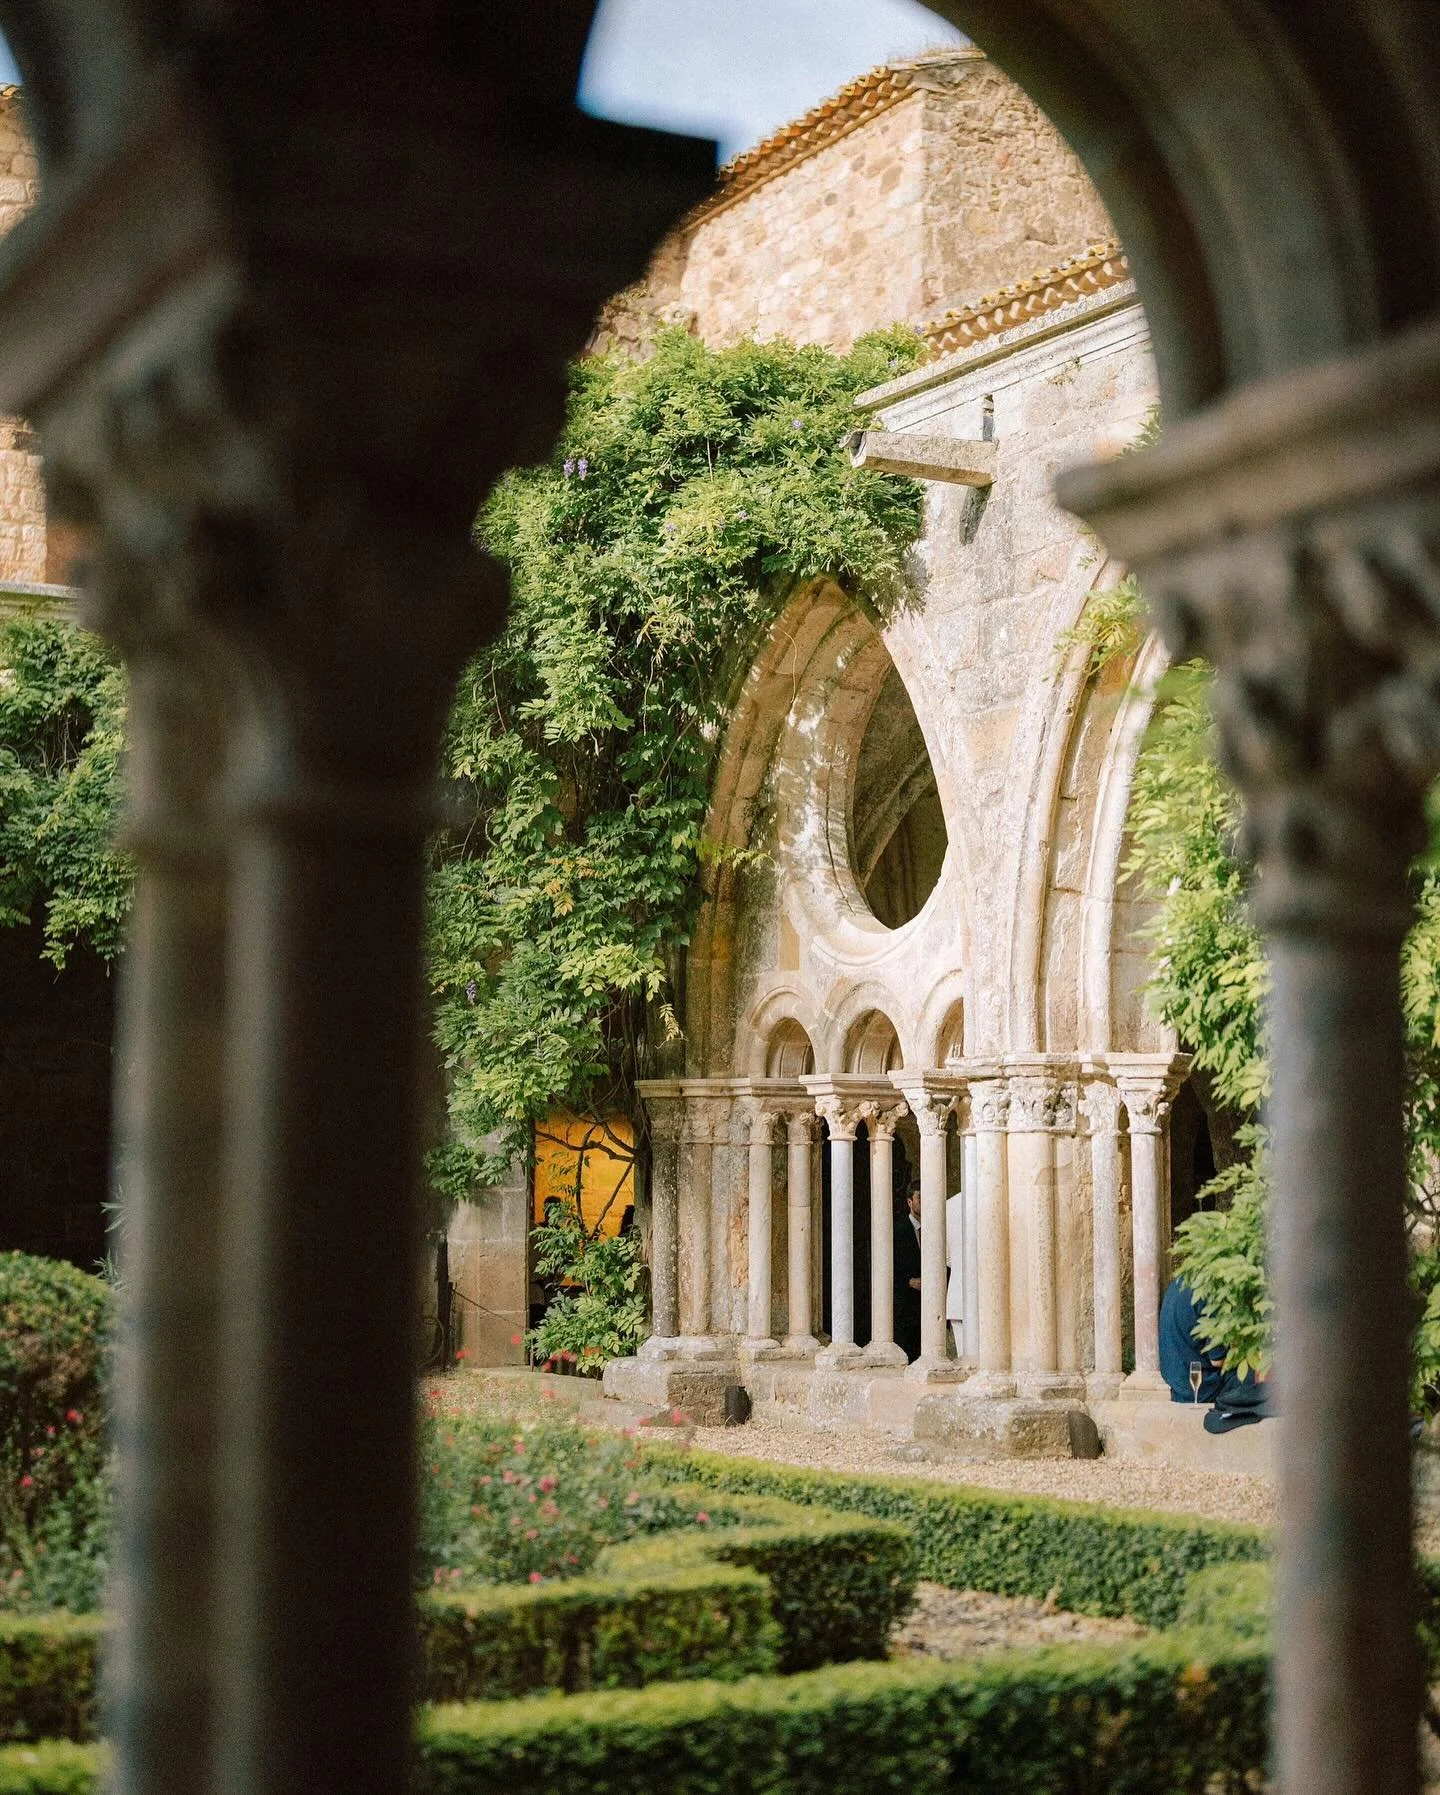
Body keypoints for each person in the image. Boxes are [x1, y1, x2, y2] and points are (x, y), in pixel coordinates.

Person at [1159, 1274, 1272, 1432]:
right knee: (1263, 1377)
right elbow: (1217, 1360)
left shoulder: (1178, 1282)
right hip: (1203, 1388)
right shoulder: (1211, 1293)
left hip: (1179, 1386)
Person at [893, 1180, 923, 1361]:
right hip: (906, 1304)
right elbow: (889, 1266)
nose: (924, 1202)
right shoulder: (899, 1230)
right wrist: (908, 1281)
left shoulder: (935, 1229)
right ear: (909, 1202)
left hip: (926, 1306)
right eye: (919, 1197)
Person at [945, 1187, 965, 1358]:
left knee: (964, 1362)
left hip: (957, 1294)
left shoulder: (949, 1206)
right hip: (990, 1300)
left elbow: (946, 1258)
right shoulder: (992, 1200)